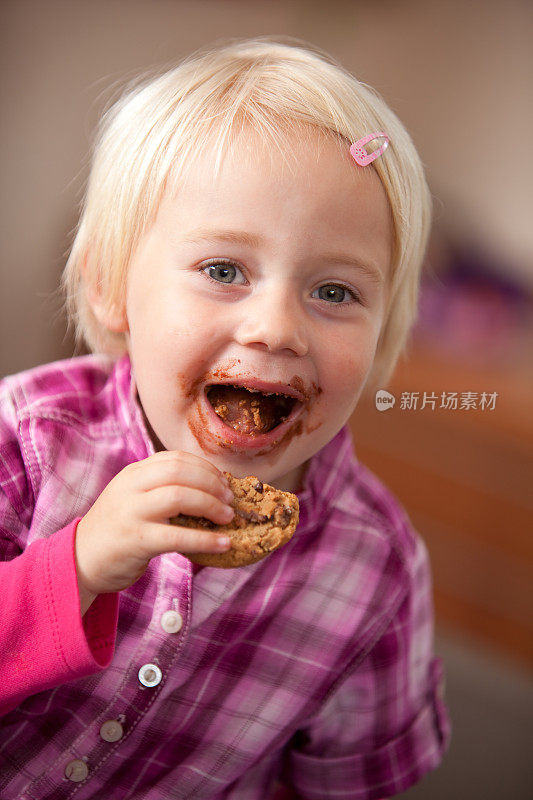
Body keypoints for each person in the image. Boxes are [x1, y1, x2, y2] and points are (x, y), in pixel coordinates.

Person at [0, 37, 449, 799]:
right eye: (222, 270)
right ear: (112, 287)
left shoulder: (377, 568)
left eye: (334, 292)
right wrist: (70, 573)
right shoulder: (28, 440)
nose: (275, 328)